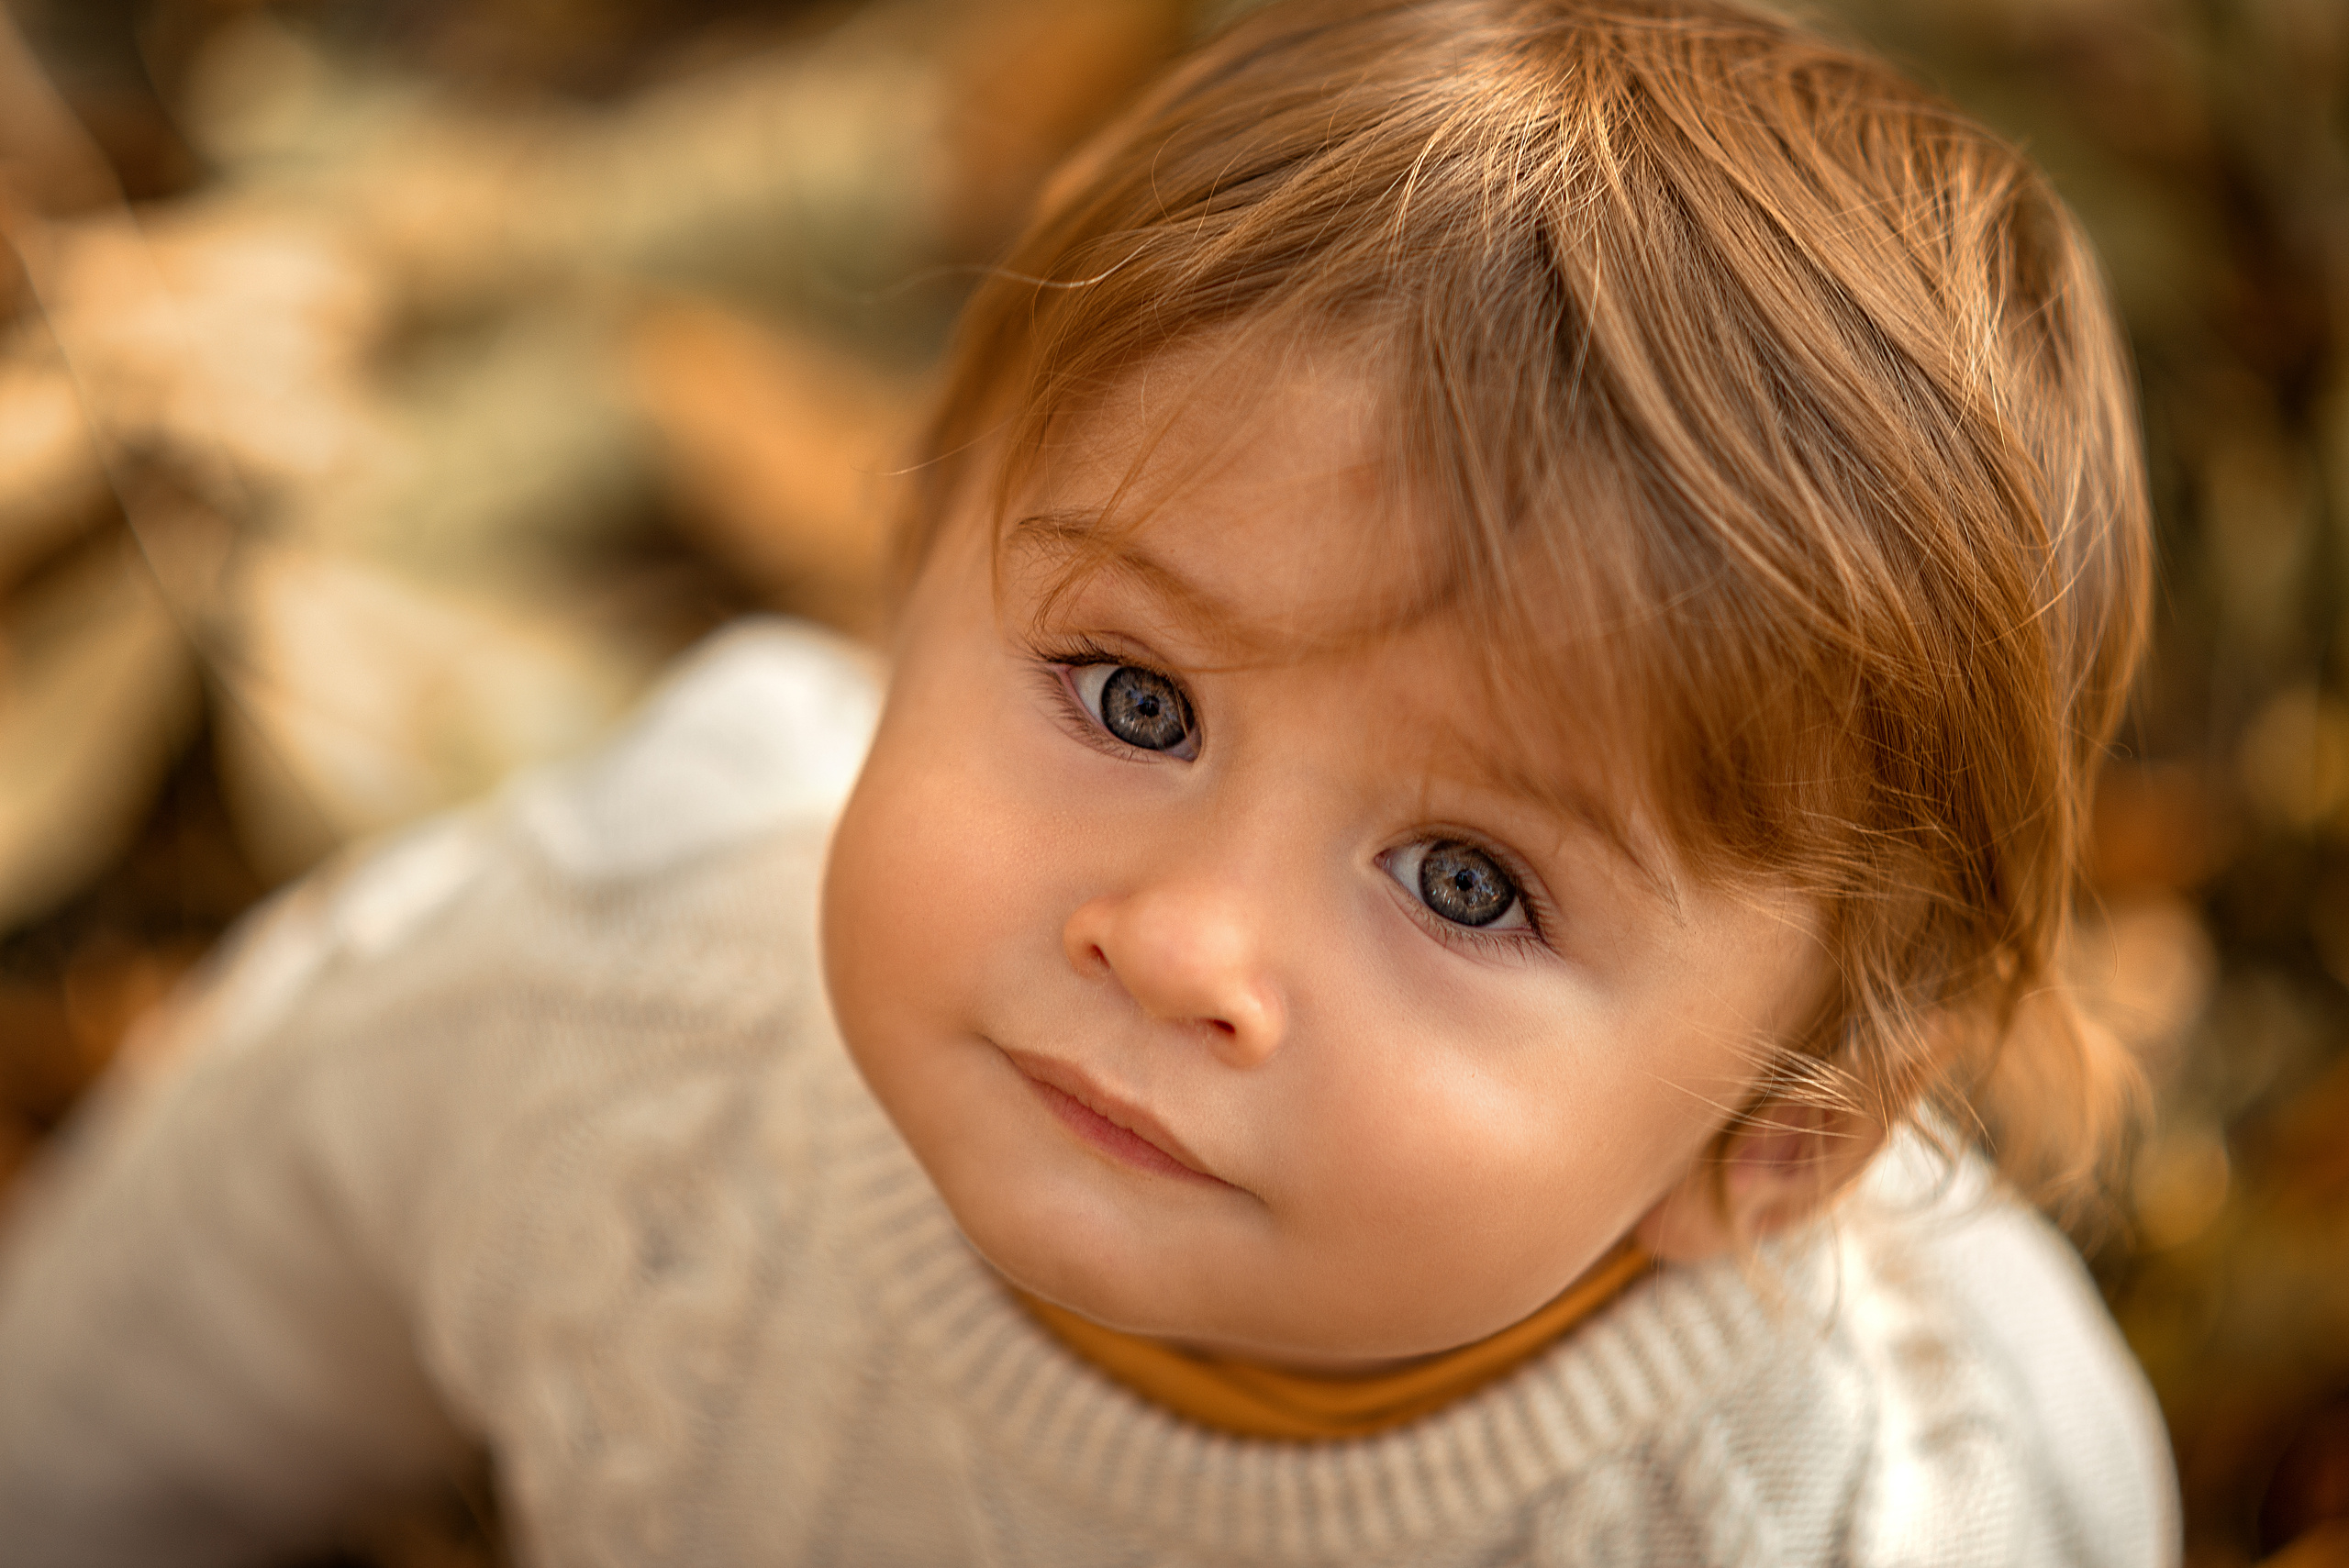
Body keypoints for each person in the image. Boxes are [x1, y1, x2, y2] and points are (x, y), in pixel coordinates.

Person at [0, 0, 2180, 1562]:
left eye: (1464, 883)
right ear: (911, 570)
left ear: (1774, 1146)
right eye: (1135, 702)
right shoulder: (587, 1035)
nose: (1182, 944)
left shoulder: (1871, 1511)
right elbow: (145, 1356)